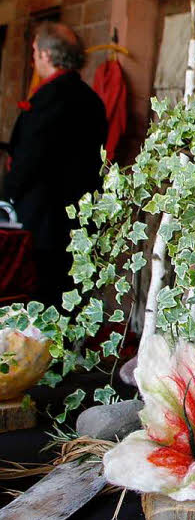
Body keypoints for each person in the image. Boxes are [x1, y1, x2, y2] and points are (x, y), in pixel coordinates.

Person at [3, 22, 107, 307]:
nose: (33, 57)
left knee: (39, 298)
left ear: (47, 55)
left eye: (35, 50)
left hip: (43, 220)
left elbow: (30, 157)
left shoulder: (51, 97)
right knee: (69, 296)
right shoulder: (92, 100)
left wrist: (6, 194)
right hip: (80, 217)